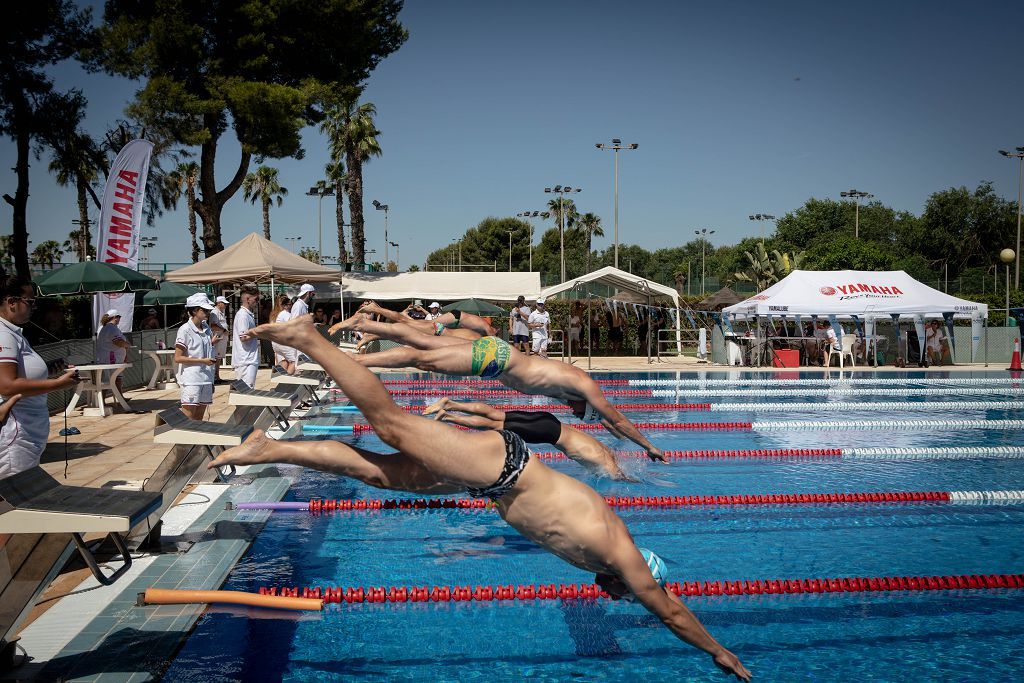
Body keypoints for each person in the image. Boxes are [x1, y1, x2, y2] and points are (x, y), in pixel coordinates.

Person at [218, 314, 749, 680]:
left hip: (492, 480)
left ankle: (269, 448)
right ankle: (310, 338)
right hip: (504, 466)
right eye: (629, 594)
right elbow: (672, 613)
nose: (617, 598)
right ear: (637, 579)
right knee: (392, 426)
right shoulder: (621, 554)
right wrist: (719, 652)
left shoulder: (602, 559)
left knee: (380, 475)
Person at [335, 315, 665, 461]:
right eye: (584, 416)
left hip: (499, 355)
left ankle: (366, 326)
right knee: (424, 360)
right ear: (587, 406)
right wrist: (647, 445)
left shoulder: (574, 394)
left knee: (423, 343)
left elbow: (610, 424)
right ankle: (357, 360)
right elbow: (615, 417)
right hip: (499, 360)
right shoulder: (584, 385)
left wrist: (626, 441)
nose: (577, 417)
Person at [423, 397, 629, 480]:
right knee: (493, 425)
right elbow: (616, 476)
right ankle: (448, 417)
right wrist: (629, 480)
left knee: (496, 415)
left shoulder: (605, 451)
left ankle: (449, 404)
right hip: (548, 433)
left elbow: (611, 435)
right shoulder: (608, 464)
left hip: (550, 422)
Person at [0, 276, 80, 478]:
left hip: (26, 432)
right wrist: (57, 384)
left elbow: (20, 374)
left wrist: (47, 370)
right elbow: (6, 386)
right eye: (30, 302)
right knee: (16, 498)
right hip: (15, 435)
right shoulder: (3, 333)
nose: (34, 307)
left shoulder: (13, 332)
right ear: (11, 302)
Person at [174, 293, 219, 420]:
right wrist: (202, 361)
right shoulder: (185, 330)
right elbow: (178, 358)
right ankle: (183, 441)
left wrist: (211, 343)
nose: (208, 312)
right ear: (194, 310)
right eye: (204, 310)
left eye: (208, 309)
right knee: (188, 418)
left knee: (199, 419)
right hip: (192, 380)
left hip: (206, 378)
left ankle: (196, 440)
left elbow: (199, 349)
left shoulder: (206, 328)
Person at [95, 309, 132, 395]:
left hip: (107, 358)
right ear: (115, 317)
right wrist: (128, 345)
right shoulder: (111, 328)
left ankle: (119, 398)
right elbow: (118, 342)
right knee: (110, 379)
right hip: (111, 359)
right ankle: (107, 400)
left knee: (112, 378)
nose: (120, 319)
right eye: (119, 317)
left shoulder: (103, 328)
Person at [232, 287, 260, 388]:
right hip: (245, 360)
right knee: (246, 391)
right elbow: (243, 338)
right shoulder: (243, 315)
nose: (257, 302)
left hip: (248, 359)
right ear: (248, 299)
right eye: (256, 299)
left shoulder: (247, 314)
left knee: (247, 391)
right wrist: (259, 332)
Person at [269, 295, 297, 374]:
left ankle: (279, 371)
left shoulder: (278, 314)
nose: (291, 305)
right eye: (289, 304)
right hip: (281, 341)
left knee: (285, 361)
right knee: (293, 361)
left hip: (278, 341)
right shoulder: (285, 314)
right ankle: (286, 380)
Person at [210, 296, 230, 384]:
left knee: (218, 358)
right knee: (216, 357)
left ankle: (217, 376)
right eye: (224, 303)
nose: (225, 305)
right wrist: (224, 330)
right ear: (219, 303)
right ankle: (215, 377)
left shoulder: (220, 312)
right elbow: (213, 325)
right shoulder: (214, 312)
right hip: (217, 337)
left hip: (222, 338)